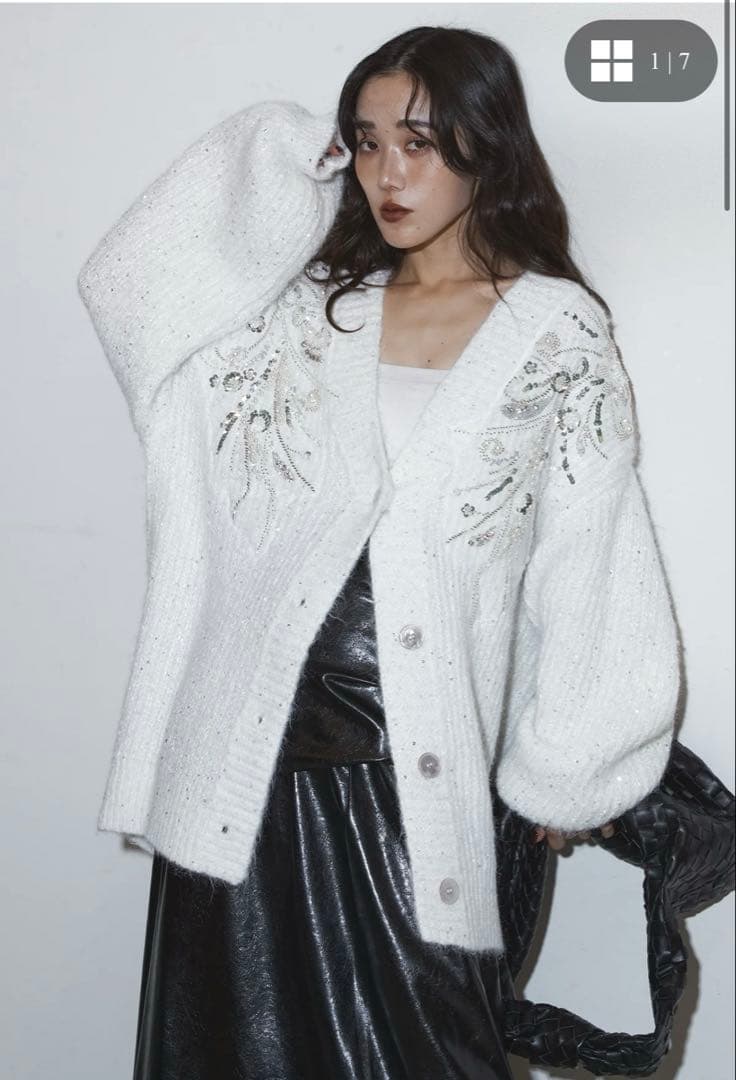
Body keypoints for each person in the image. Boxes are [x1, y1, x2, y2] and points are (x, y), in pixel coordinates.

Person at [77, 24, 680, 1080]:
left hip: (410, 781)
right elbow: (127, 289)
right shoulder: (297, 316)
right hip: (243, 778)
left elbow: (594, 557)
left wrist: (570, 770)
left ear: (487, 146)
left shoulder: (556, 332)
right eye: (366, 142)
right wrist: (286, 149)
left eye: (420, 142)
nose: (388, 174)